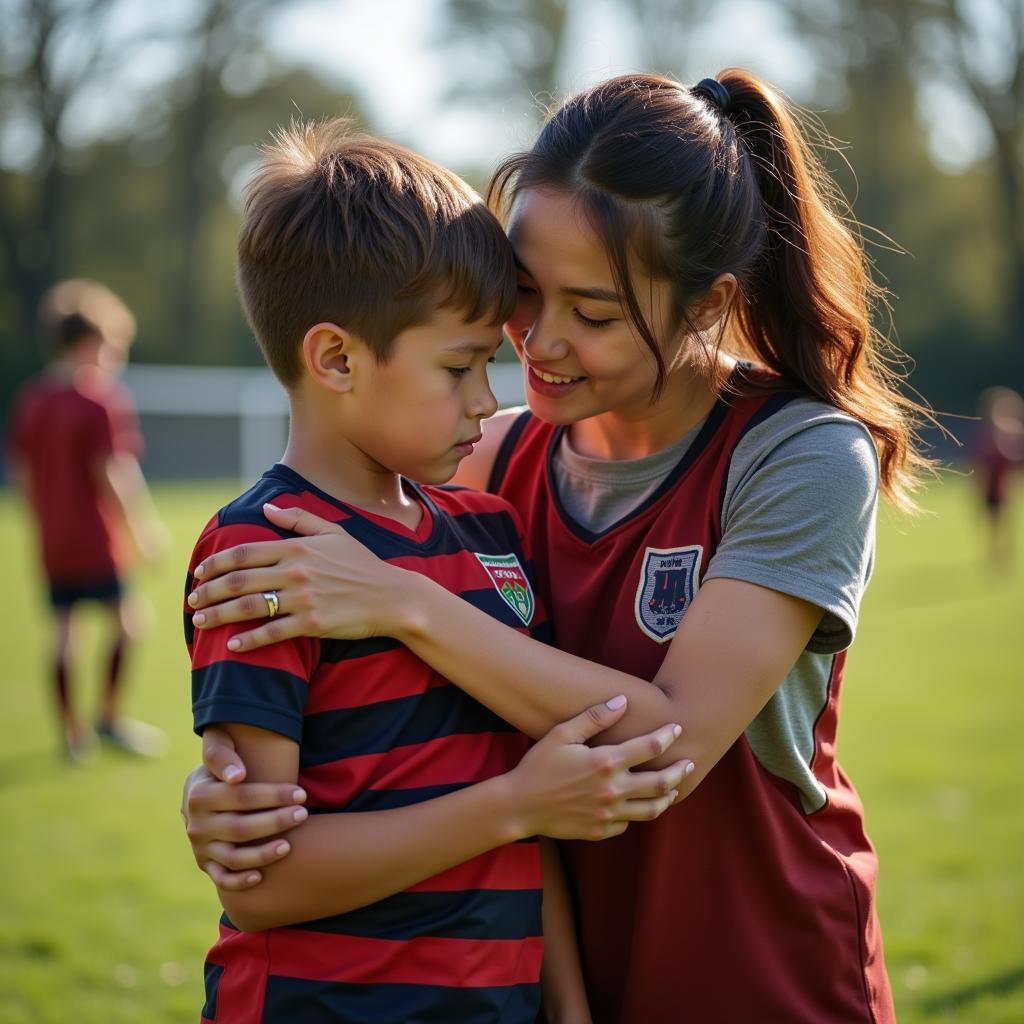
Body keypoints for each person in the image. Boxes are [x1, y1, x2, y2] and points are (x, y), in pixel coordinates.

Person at [182, 72, 934, 1022]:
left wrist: (404, 605)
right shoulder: (482, 466)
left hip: (760, 975)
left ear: (708, 306)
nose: (537, 341)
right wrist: (237, 790)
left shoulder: (802, 453)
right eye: (526, 293)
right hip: (533, 985)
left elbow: (666, 748)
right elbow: (385, 730)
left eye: (596, 312)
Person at [181, 119, 689, 1024]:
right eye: (459, 367)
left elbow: (562, 784)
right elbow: (263, 883)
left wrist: (567, 1008)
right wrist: (511, 805)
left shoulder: (488, 534)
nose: (488, 400)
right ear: (335, 358)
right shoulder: (263, 555)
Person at [8, 279, 169, 761]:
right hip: (96, 539)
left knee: (63, 632)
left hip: (52, 539)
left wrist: (46, 522)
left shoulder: (31, 400)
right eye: (114, 347)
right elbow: (114, 472)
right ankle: (109, 719)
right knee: (130, 623)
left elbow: (23, 477)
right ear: (89, 344)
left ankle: (71, 735)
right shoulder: (100, 399)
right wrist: (142, 531)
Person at [971, 385, 1024, 567]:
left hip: (1003, 488)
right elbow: (979, 465)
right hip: (990, 489)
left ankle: (1005, 554)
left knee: (1005, 522)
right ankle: (997, 555)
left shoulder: (1009, 433)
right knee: (994, 524)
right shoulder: (987, 436)